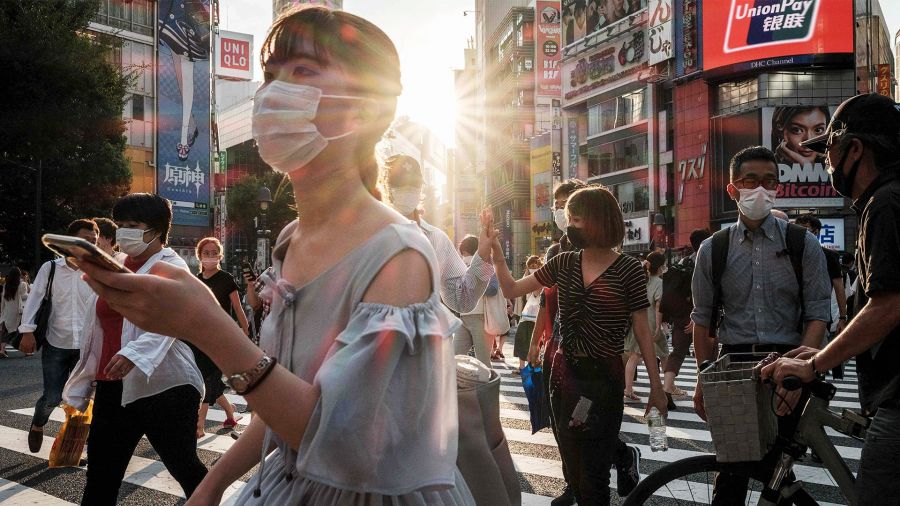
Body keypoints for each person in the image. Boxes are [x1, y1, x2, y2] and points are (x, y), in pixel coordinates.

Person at [76, 6, 476, 504]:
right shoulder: (291, 237)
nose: (272, 94)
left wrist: (206, 325)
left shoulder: (398, 255)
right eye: (270, 76)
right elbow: (283, 401)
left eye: (302, 72)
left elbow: (348, 445)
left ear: (368, 106)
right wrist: (213, 483)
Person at [762, 93, 900, 504]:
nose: (825, 161)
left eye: (829, 149)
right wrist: (821, 349)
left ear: (854, 148)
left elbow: (889, 305)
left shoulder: (886, 202)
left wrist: (818, 363)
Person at [492, 185, 667, 505]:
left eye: (575, 220)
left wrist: (657, 388)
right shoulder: (563, 262)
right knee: (573, 468)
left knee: (595, 475)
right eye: (568, 219)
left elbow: (643, 328)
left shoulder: (628, 269)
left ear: (599, 220)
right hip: (563, 373)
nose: (568, 226)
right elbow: (512, 289)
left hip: (604, 378)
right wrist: (497, 254)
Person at [63, 194, 207, 505]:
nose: (125, 231)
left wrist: (135, 353)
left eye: (134, 225)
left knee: (185, 469)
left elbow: (170, 318)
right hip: (113, 387)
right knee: (101, 476)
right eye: (120, 225)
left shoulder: (172, 265)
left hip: (163, 387)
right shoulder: (113, 265)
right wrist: (87, 378)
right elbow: (96, 330)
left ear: (156, 230)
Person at [691, 146, 831, 420]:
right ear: (733, 190)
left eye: (769, 181)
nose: (761, 189)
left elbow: (818, 313)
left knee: (785, 455)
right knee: (736, 456)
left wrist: (800, 369)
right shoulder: (712, 249)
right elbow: (703, 319)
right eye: (751, 181)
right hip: (733, 364)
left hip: (789, 361)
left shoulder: (803, 243)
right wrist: (704, 377)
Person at [19, 219, 97, 453]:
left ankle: (70, 450)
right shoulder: (51, 268)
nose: (91, 245)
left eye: (94, 241)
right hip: (56, 342)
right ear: (70, 242)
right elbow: (34, 300)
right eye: (86, 240)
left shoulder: (96, 270)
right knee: (52, 397)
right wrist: (27, 331)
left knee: (81, 401)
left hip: (86, 345)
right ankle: (38, 423)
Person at [382, 154, 494, 314]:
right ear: (386, 188)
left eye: (413, 185)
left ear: (421, 189)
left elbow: (463, 300)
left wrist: (482, 254)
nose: (408, 190)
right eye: (400, 185)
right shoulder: (369, 234)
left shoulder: (435, 239)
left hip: (421, 335)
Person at [194, 237, 249, 435]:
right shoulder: (196, 280)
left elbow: (237, 307)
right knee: (209, 381)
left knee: (208, 379)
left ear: (220, 255)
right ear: (199, 255)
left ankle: (199, 425)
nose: (210, 256)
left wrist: (245, 332)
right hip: (199, 339)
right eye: (206, 253)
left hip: (221, 338)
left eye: (214, 252)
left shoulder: (226, 279)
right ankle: (230, 413)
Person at [661, 228, 710, 405]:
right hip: (702, 317)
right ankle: (705, 393)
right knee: (708, 356)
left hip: (681, 317)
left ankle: (666, 388)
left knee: (678, 353)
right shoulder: (709, 260)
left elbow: (674, 294)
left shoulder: (684, 261)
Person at [795, 214, 848, 378]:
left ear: (816, 231)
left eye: (805, 229)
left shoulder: (828, 255)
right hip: (791, 319)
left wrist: (842, 317)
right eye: (798, 229)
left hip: (818, 319)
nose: (801, 233)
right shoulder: (789, 254)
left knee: (815, 365)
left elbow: (839, 287)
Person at [623, 252, 668, 405]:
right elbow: (658, 307)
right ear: (661, 266)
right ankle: (668, 387)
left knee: (635, 357)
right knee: (664, 355)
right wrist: (658, 328)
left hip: (638, 323)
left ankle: (628, 390)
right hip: (650, 325)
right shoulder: (658, 283)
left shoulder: (642, 280)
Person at [456, 235, 493, 368]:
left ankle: (489, 388)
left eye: (465, 253)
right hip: (463, 317)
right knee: (454, 357)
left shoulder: (485, 262)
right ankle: (458, 388)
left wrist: (473, 284)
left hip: (480, 317)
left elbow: (493, 288)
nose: (464, 256)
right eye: (462, 254)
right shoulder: (460, 265)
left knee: (483, 361)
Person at [512, 255, 542, 374]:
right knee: (521, 337)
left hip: (538, 314)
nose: (533, 268)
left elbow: (537, 292)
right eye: (530, 266)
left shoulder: (543, 276)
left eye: (535, 265)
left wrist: (534, 280)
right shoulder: (526, 276)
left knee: (534, 340)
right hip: (526, 313)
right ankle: (521, 366)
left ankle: (533, 366)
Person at [0, 267, 28, 358]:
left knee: (6, 332)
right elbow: (24, 296)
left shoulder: (6, 285)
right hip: (18, 312)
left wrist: (2, 312)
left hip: (7, 312)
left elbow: (3, 300)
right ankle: (26, 351)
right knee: (22, 332)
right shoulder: (22, 284)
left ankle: (2, 350)